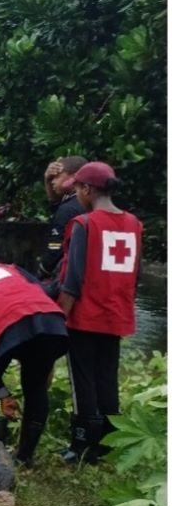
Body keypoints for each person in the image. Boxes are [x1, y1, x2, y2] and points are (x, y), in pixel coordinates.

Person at [56, 162, 142, 463]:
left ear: (87, 189)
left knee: (83, 380)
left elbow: (73, 280)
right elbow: (136, 274)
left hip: (85, 316)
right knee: (108, 377)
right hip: (117, 315)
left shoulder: (84, 224)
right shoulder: (134, 224)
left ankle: (80, 445)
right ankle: (107, 444)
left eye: (78, 189)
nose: (77, 195)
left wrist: (59, 317)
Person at [0, 263, 68, 465]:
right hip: (50, 320)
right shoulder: (13, 269)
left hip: (7, 319)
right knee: (36, 387)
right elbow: (48, 289)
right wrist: (4, 395)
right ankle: (25, 457)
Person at [37, 156, 87, 288]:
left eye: (57, 177)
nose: (52, 182)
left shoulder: (68, 209)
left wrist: (42, 271)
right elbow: (55, 203)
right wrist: (47, 180)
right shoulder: (85, 202)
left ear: (73, 178)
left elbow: (55, 250)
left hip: (69, 277)